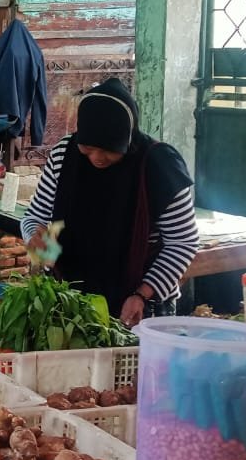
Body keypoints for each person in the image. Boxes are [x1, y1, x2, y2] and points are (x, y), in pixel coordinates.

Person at [20, 78, 200, 326]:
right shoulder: (64, 154)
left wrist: (142, 294)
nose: (97, 158)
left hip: (140, 306)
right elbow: (35, 217)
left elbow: (183, 243)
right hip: (71, 300)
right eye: (88, 148)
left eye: (109, 150)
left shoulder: (159, 165)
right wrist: (35, 236)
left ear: (127, 139)